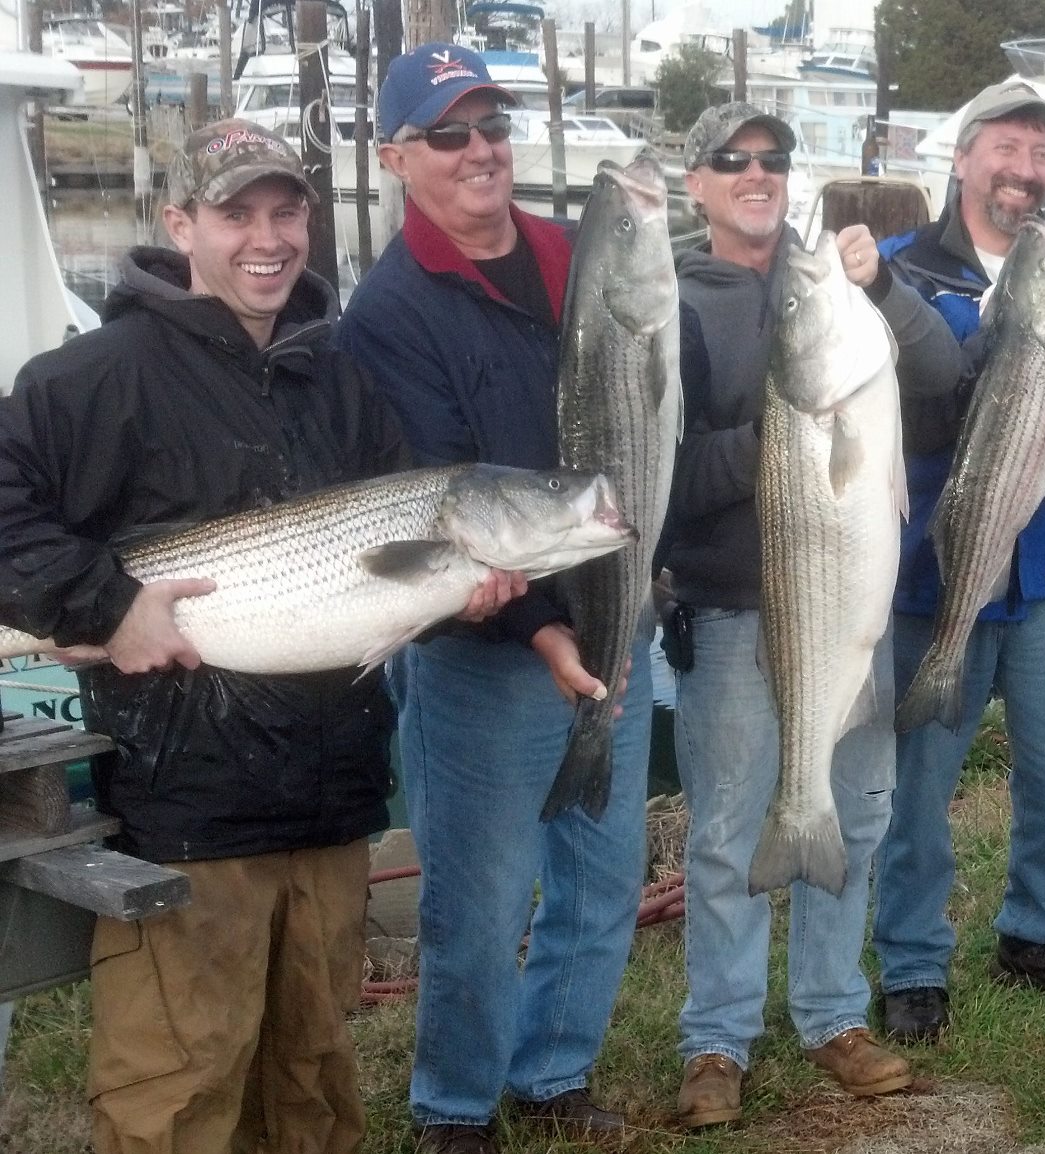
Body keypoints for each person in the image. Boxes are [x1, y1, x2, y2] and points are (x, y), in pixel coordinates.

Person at [0, 120, 419, 1154]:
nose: (267, 239)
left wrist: (470, 584)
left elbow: (399, 549)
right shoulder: (92, 378)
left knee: (313, 1079)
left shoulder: (345, 377)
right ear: (180, 223)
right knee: (179, 1090)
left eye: (286, 212)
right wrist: (105, 604)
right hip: (186, 807)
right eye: (236, 214)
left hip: (333, 799)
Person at [334, 44, 652, 1151]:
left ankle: (554, 1072)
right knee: (479, 896)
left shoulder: (580, 257)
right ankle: (455, 1106)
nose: (480, 150)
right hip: (484, 650)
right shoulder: (387, 311)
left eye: (493, 126)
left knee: (602, 871)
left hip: (618, 614)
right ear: (395, 157)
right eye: (448, 133)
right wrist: (540, 628)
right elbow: (440, 494)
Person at [657, 100, 963, 1128]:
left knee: (857, 812)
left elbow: (942, 378)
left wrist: (883, 286)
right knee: (727, 831)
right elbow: (662, 478)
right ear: (696, 183)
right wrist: (780, 439)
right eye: (731, 159)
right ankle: (716, 1038)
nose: (757, 173)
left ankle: (833, 1013)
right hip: (732, 613)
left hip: (852, 613)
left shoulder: (844, 297)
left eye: (773, 157)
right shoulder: (676, 303)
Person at [872, 80, 1045, 1043]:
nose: (1025, 171)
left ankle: (1039, 933)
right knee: (918, 782)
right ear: (961, 158)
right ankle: (912, 962)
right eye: (1007, 149)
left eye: (1042, 155)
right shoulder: (900, 273)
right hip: (931, 568)